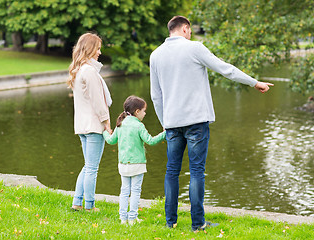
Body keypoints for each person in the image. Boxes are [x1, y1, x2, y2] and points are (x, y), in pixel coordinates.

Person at [149, 16, 274, 231]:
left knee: (171, 171)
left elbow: (155, 96)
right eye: (190, 31)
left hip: (172, 122)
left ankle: (171, 223)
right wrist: (255, 82)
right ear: (186, 29)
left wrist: (164, 122)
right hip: (196, 121)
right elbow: (226, 69)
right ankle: (198, 224)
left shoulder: (155, 55)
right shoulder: (194, 48)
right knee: (196, 171)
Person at [67, 32, 113, 212]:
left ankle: (77, 203)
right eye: (98, 49)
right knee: (92, 168)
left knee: (87, 166)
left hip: (82, 125)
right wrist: (106, 123)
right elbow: (98, 102)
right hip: (94, 126)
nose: (100, 52)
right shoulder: (90, 72)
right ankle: (89, 207)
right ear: (90, 49)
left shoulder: (78, 71)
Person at [103, 96, 166, 225]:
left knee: (124, 191)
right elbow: (151, 141)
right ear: (137, 111)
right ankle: (132, 218)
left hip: (123, 165)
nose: (145, 113)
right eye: (144, 111)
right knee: (136, 191)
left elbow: (110, 140)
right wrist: (165, 133)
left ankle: (123, 218)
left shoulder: (120, 124)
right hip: (137, 165)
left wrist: (105, 132)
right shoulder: (139, 126)